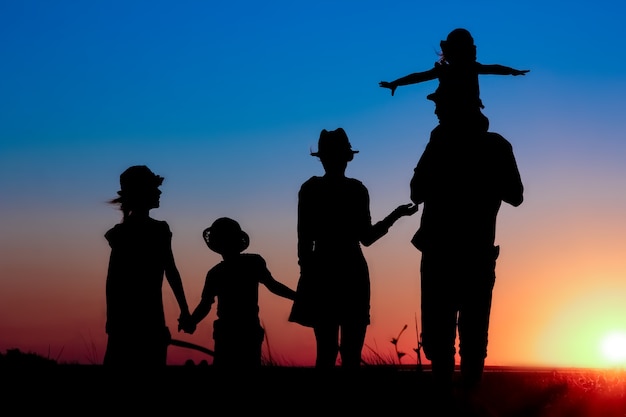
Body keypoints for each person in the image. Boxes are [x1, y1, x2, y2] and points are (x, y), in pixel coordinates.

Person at [409, 91, 524, 397]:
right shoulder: (490, 145)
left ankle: (457, 401)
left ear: (454, 110)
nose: (436, 113)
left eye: (440, 107)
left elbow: (416, 191)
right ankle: (460, 400)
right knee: (455, 338)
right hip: (466, 254)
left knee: (453, 338)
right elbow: (515, 195)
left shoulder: (448, 144)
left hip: (449, 254)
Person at [288, 127, 418, 369]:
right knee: (348, 353)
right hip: (348, 271)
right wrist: (396, 215)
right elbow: (366, 237)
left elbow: (304, 241)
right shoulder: (354, 189)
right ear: (347, 157)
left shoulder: (314, 189)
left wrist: (307, 274)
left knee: (327, 351)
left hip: (326, 270)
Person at [179, 217, 296, 369]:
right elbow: (273, 285)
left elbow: (205, 305)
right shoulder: (252, 263)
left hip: (229, 332)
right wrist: (297, 297)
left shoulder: (216, 273)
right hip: (246, 330)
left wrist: (192, 322)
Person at [104, 165, 191, 368]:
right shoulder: (156, 231)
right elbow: (171, 272)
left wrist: (112, 320)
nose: (159, 192)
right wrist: (185, 312)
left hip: (125, 321)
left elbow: (113, 282)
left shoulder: (121, 233)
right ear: (142, 193)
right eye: (154, 188)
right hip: (145, 321)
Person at [379, 28, 529, 121]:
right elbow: (419, 76)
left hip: (470, 115)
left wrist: (511, 71)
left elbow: (494, 68)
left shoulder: (471, 67)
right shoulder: (445, 70)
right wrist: (396, 82)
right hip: (451, 114)